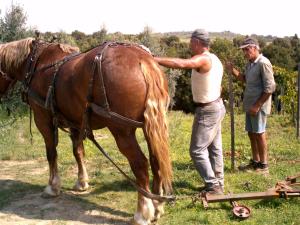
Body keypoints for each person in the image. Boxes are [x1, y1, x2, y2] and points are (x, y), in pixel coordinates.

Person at [154, 29, 226, 194]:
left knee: (197, 150)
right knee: (215, 149)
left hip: (207, 110)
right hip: (217, 106)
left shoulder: (203, 59)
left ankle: (213, 185)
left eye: (191, 42)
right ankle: (218, 183)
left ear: (198, 43)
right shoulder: (215, 58)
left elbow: (182, 64)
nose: (189, 45)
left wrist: (153, 59)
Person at [226, 37, 276, 175]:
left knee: (259, 134)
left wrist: (257, 105)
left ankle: (264, 165)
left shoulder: (263, 63)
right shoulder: (250, 64)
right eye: (243, 50)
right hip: (250, 105)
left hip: (258, 106)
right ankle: (255, 161)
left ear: (255, 48)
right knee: (251, 133)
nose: (245, 53)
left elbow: (270, 88)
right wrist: (232, 70)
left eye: (247, 49)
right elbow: (245, 79)